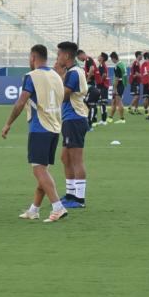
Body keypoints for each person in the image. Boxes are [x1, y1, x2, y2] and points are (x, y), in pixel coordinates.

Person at [1, 44, 67, 223]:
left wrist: (8, 124)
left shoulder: (31, 77)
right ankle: (34, 210)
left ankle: (57, 207)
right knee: (42, 171)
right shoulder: (56, 75)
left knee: (39, 171)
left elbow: (20, 103)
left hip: (40, 128)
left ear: (32, 57)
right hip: (55, 127)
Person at [56, 41, 90, 209]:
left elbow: (63, 95)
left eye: (59, 55)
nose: (57, 58)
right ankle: (70, 194)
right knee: (65, 157)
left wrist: (56, 77)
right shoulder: (73, 72)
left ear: (67, 56)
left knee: (76, 159)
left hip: (75, 118)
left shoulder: (73, 73)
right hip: (71, 118)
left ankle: (79, 199)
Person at [109, 52, 126, 123]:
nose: (111, 61)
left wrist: (114, 89)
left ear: (113, 58)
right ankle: (110, 117)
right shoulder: (122, 64)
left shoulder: (117, 67)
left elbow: (116, 79)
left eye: (111, 59)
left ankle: (122, 119)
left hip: (119, 85)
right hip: (122, 84)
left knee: (119, 102)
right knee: (113, 102)